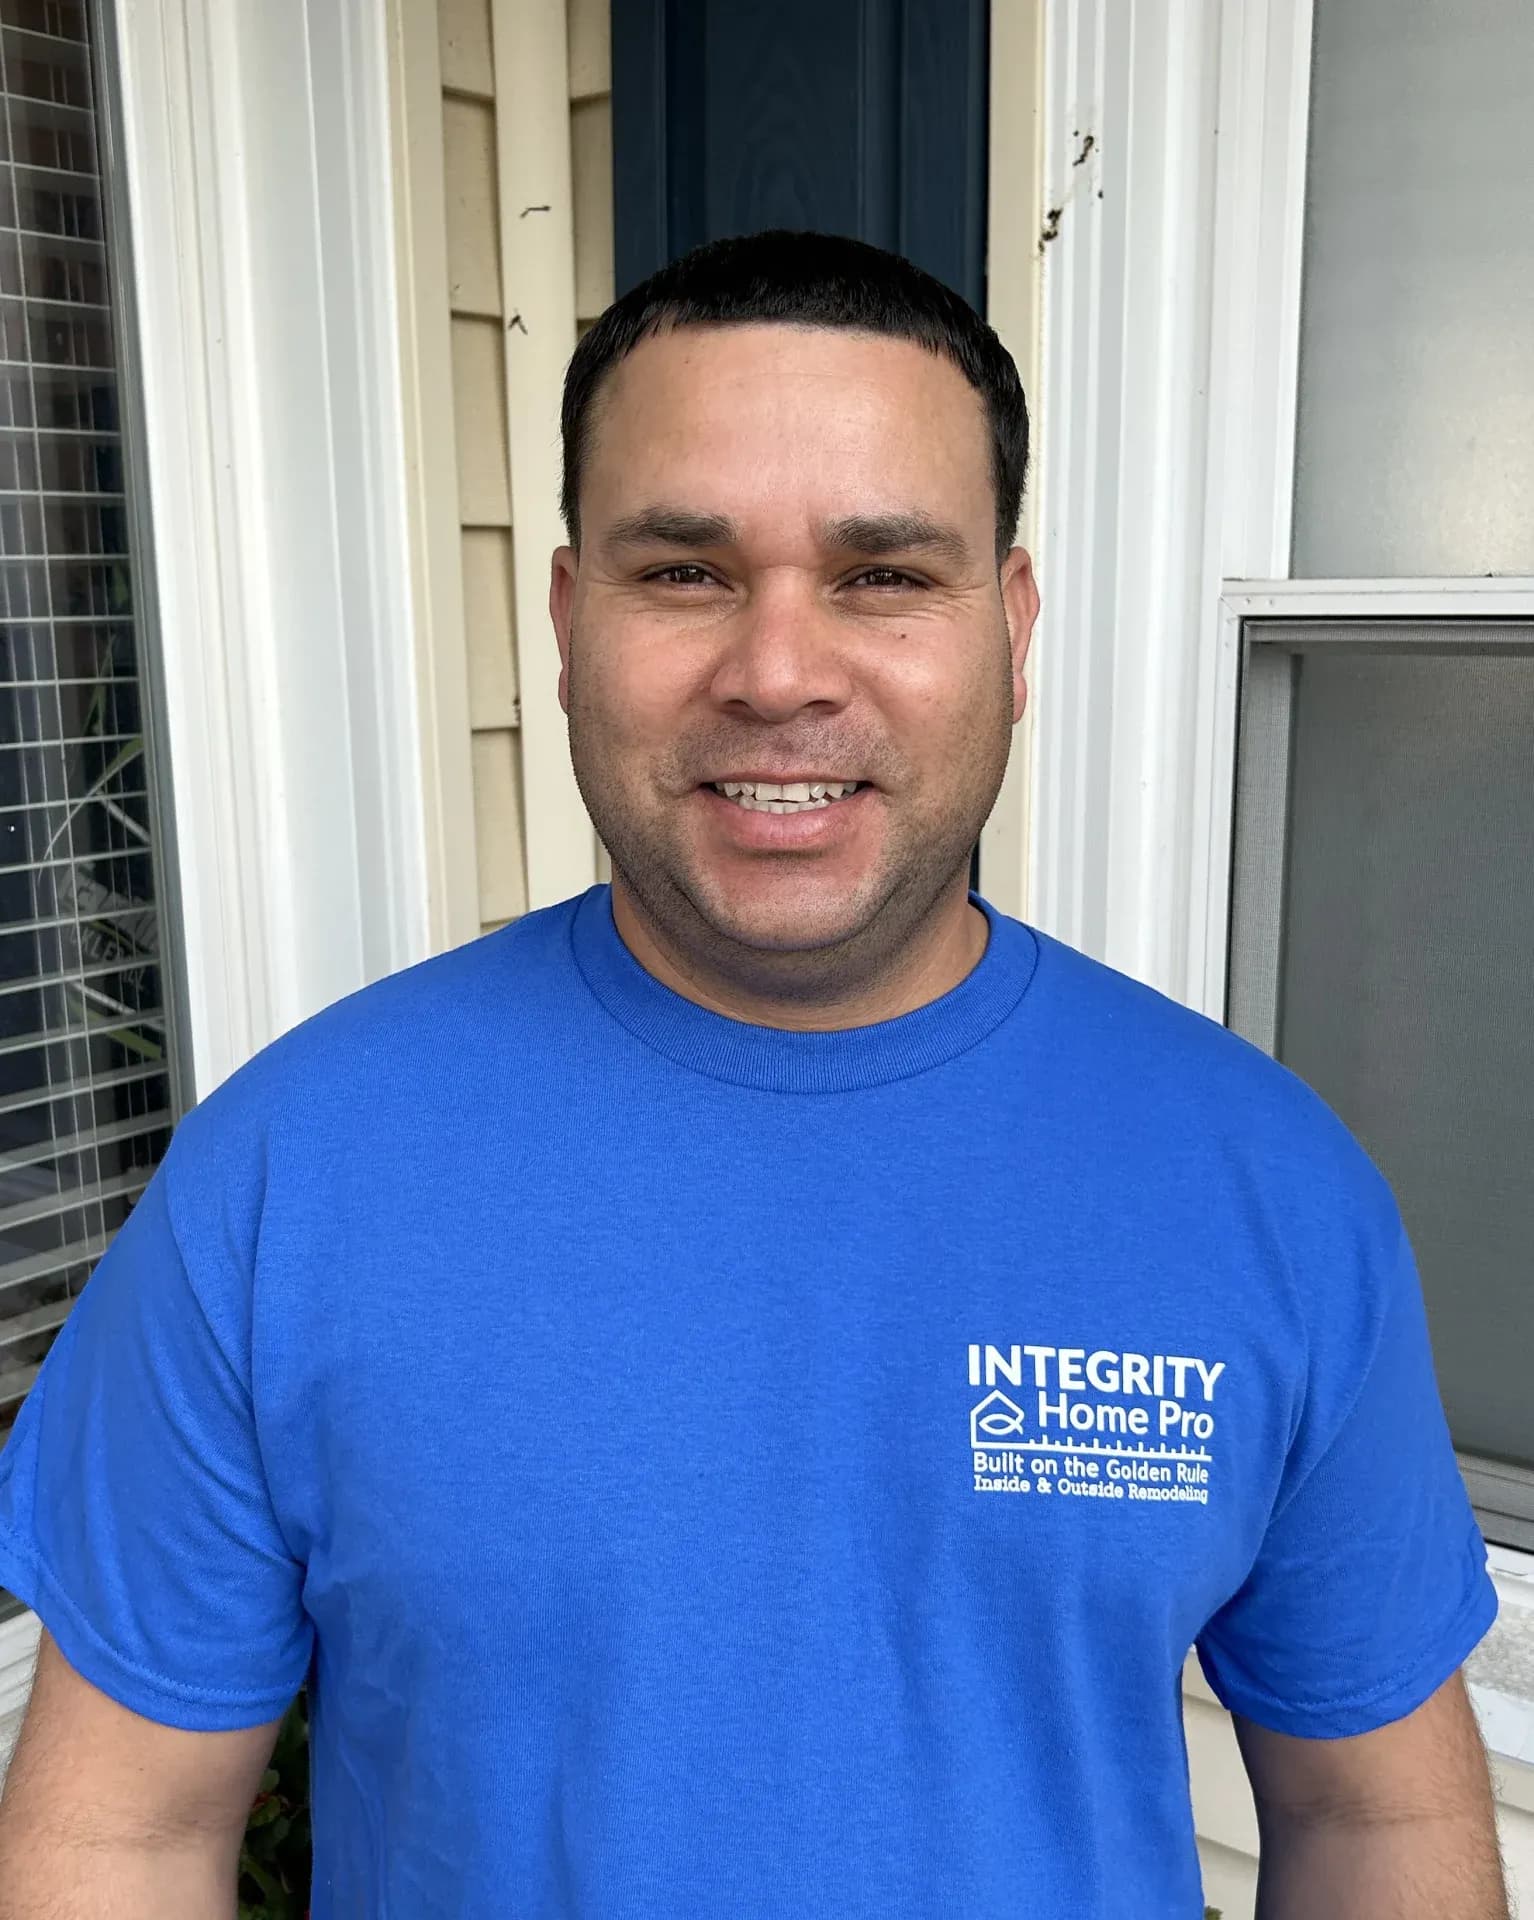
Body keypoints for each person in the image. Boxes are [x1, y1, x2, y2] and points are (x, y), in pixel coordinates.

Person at [0, 229, 1507, 1919]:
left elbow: (1379, 1826)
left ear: (1009, 628)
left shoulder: (1261, 1187)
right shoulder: (290, 1178)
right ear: (570, 623)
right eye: (685, 571)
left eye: (881, 574)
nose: (779, 670)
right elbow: (118, 1837)